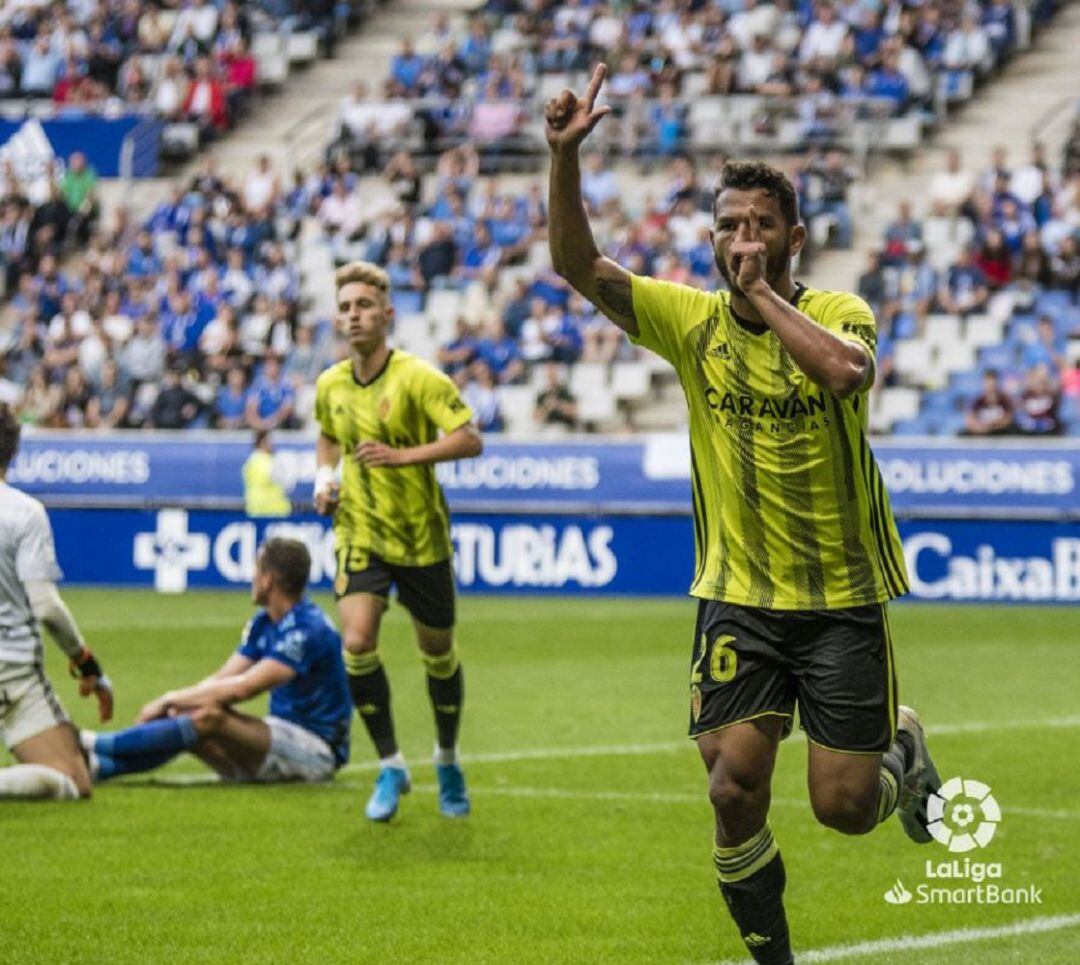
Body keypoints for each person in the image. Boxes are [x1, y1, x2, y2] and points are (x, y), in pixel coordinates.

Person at [545, 66, 942, 965]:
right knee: (732, 788)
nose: (743, 238)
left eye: (761, 225)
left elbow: (843, 374)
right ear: (711, 234)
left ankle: (900, 750)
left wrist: (761, 294)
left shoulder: (839, 312)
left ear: (794, 237)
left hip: (841, 597)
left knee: (843, 809)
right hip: (737, 594)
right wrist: (562, 159)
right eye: (728, 226)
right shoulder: (688, 323)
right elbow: (577, 266)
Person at [313, 261, 483, 822]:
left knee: (436, 653)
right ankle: (390, 764)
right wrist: (326, 481)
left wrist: (403, 457)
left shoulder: (420, 378)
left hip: (421, 536)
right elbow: (327, 435)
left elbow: (469, 439)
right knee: (357, 642)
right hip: (360, 529)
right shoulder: (330, 383)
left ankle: (448, 757)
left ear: (388, 315)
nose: (353, 315)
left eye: (363, 306)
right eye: (345, 308)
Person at [82, 538, 351, 784]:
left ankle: (92, 743)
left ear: (269, 579)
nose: (252, 577)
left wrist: (168, 698)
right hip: (276, 739)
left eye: (256, 570)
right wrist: (180, 705)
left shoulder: (308, 629)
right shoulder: (264, 622)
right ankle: (97, 768)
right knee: (190, 713)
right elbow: (222, 679)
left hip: (317, 750)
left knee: (210, 717)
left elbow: (243, 688)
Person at [0, 403, 113, 800]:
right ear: (13, 452)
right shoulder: (24, 513)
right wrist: (84, 660)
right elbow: (45, 606)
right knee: (72, 781)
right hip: (10, 672)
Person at [243, 429, 291, 517]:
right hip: (273, 512)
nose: (273, 444)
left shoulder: (250, 461)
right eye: (270, 440)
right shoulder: (269, 462)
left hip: (254, 511)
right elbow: (287, 484)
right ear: (263, 442)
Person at [963, 369, 1015, 436]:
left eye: (992, 381)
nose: (990, 385)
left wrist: (992, 425)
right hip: (982, 432)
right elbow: (970, 420)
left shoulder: (1005, 400)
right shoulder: (977, 401)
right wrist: (979, 427)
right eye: (988, 381)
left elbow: (1008, 419)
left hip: (999, 432)